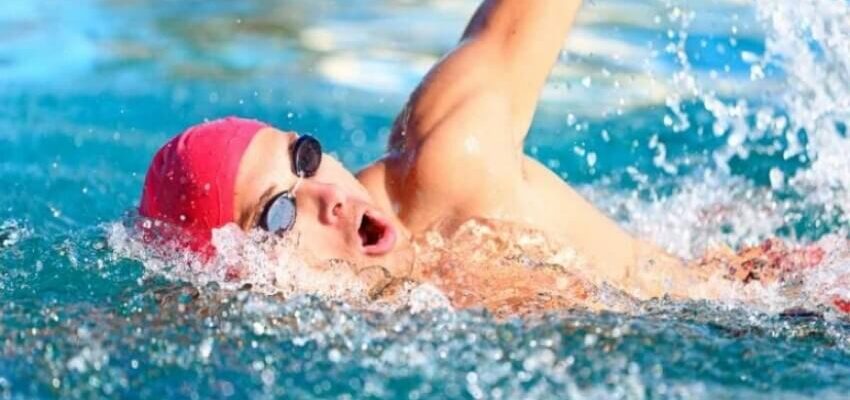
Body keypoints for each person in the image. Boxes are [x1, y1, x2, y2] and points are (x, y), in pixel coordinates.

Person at [137, 0, 832, 315]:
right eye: (281, 212)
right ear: (237, 279)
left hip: (786, 303)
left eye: (307, 158)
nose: (331, 194)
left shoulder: (450, 162)